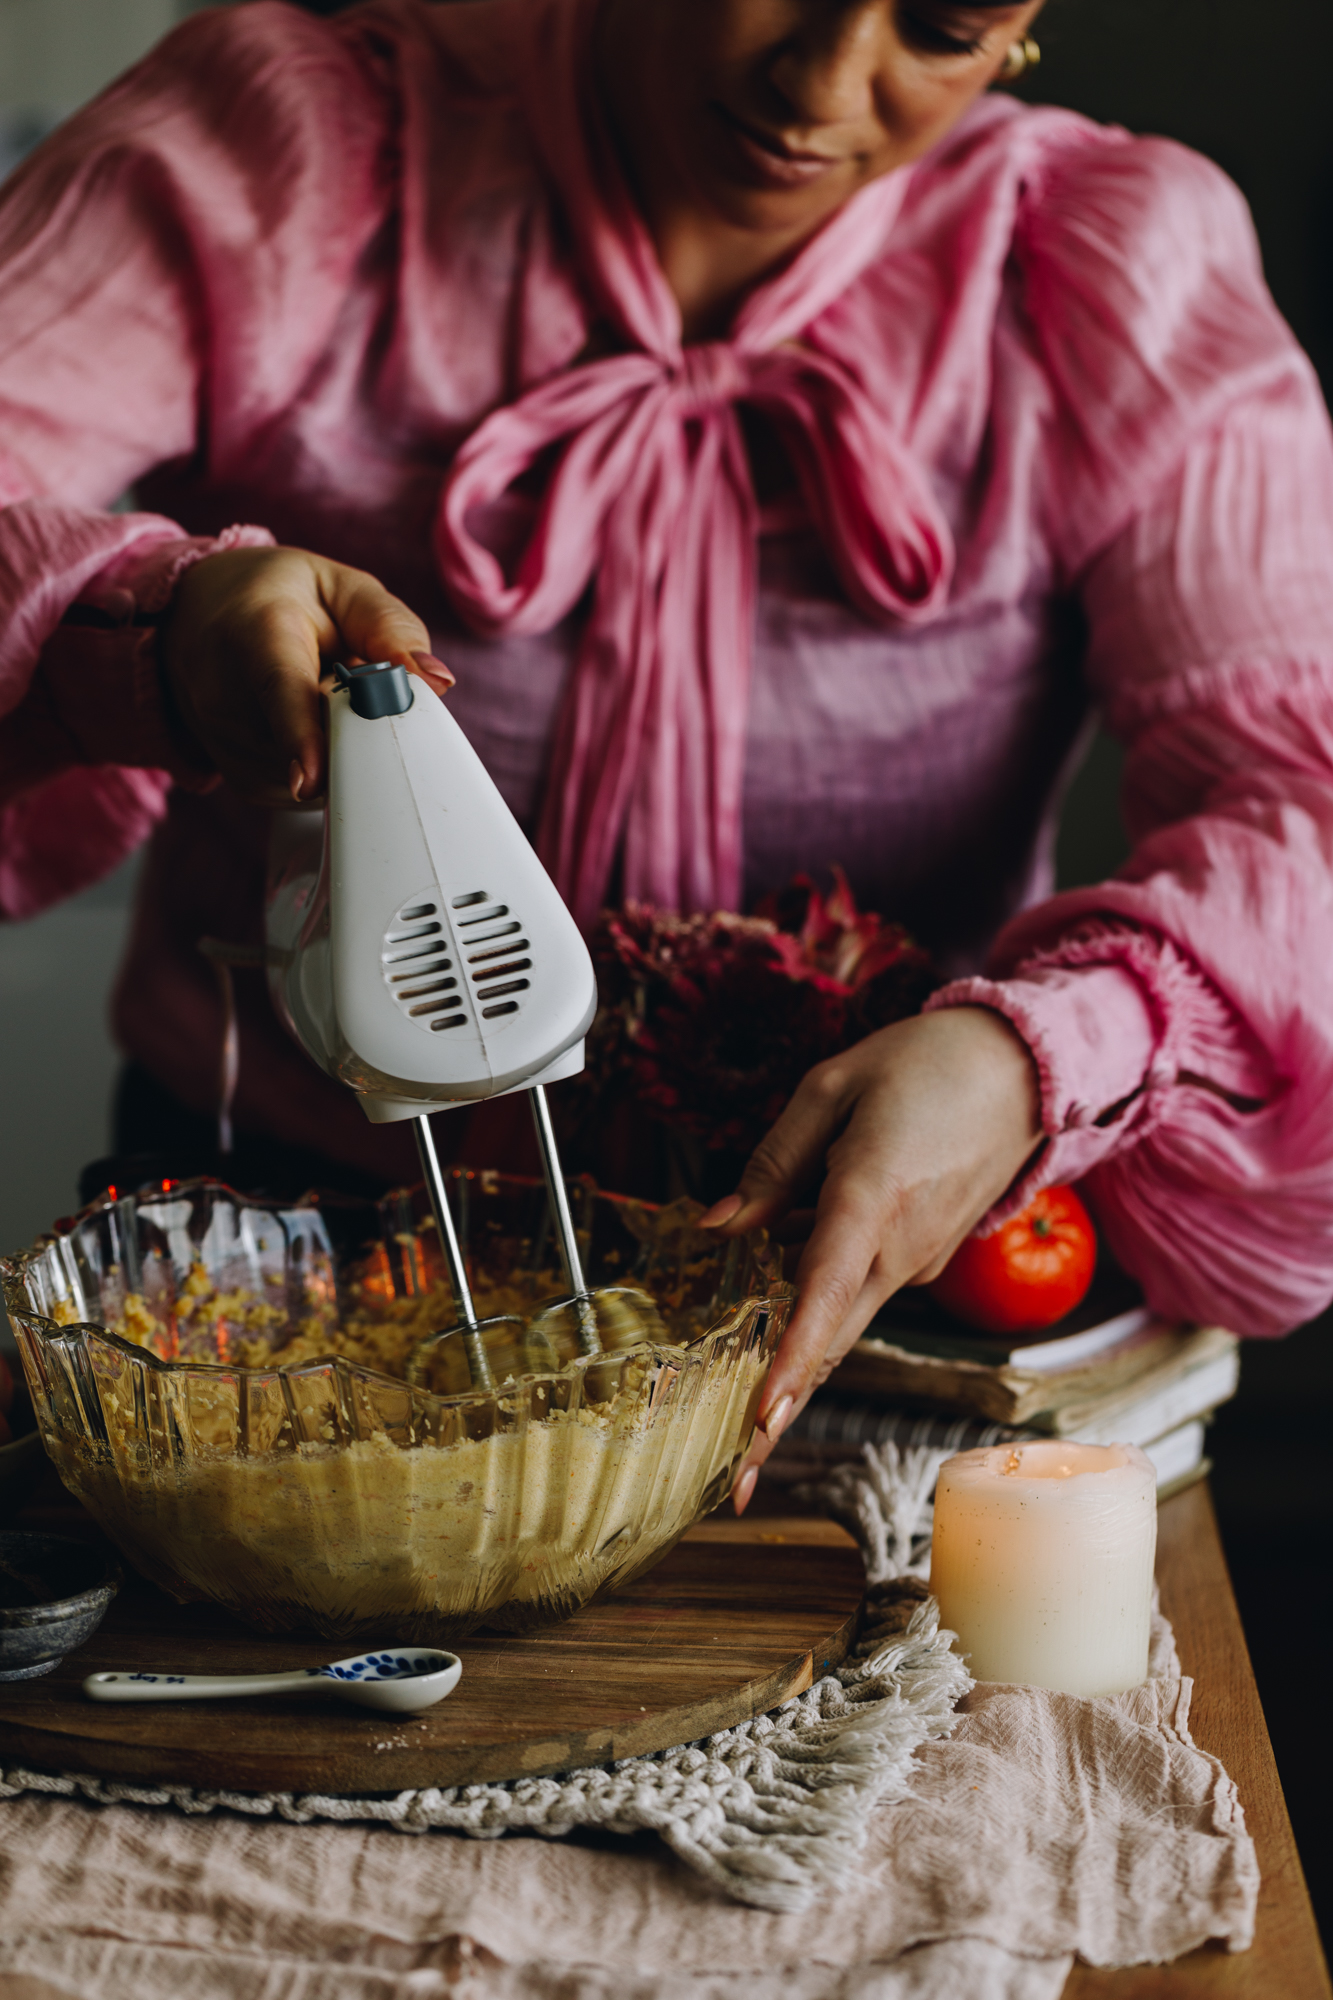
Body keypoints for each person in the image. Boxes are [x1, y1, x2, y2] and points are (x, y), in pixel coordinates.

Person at [3, 0, 1333, 1507]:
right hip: (278, 1265)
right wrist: (152, 628)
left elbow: (1299, 795)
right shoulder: (293, 135)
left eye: (947, 27)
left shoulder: (1111, 262)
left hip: (873, 1310)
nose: (823, 86)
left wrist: (1045, 1054)